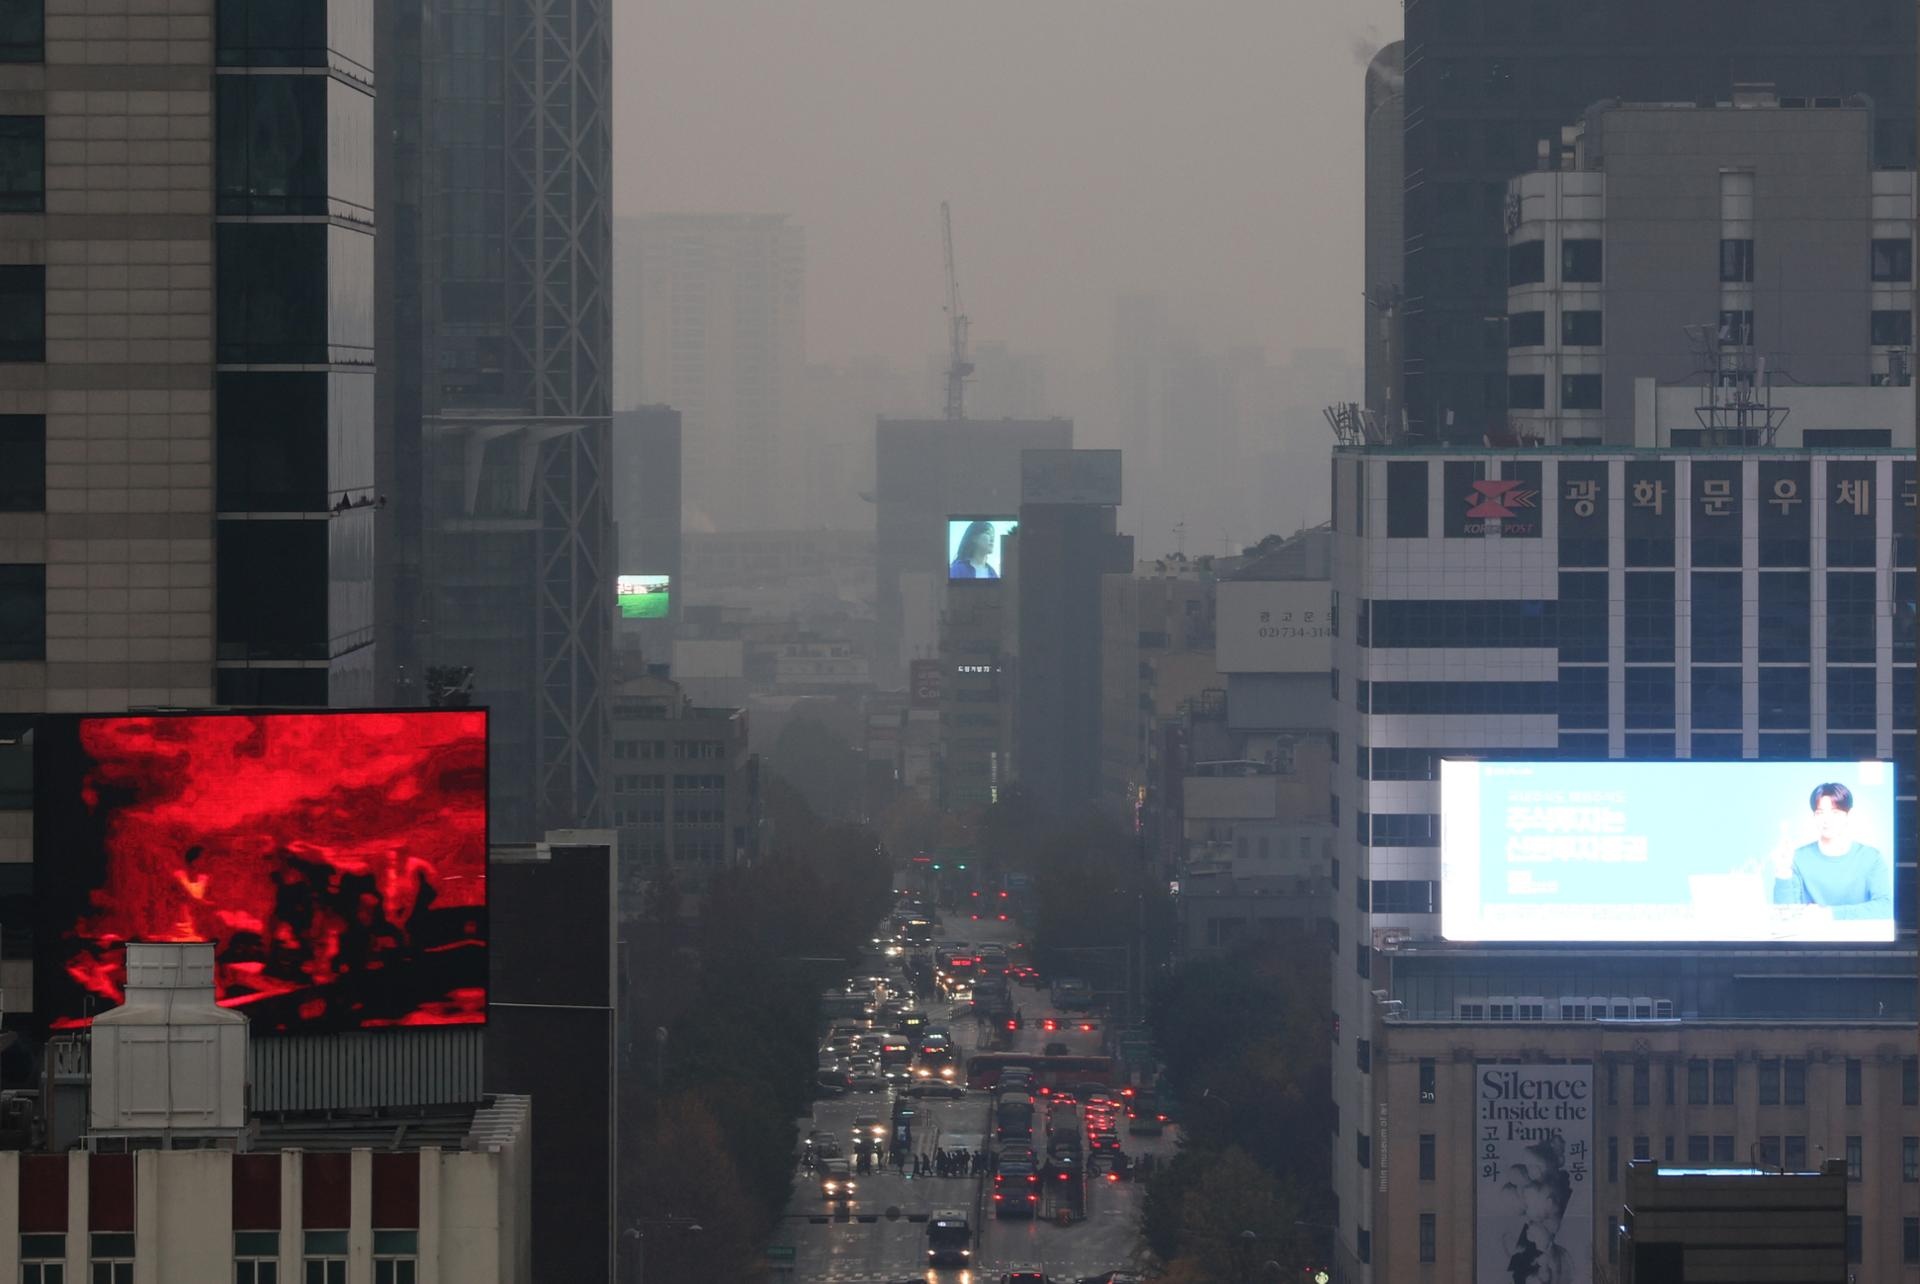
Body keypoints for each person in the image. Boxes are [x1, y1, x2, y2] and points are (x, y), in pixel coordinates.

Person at [1769, 782, 1892, 920]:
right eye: (1820, 813)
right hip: (1811, 934)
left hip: (1860, 934)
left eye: (1835, 812)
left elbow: (1884, 908)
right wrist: (1783, 871)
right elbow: (1785, 916)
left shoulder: (1871, 857)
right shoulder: (1797, 857)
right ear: (1814, 816)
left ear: (1849, 815)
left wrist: (1830, 914)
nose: (1826, 820)